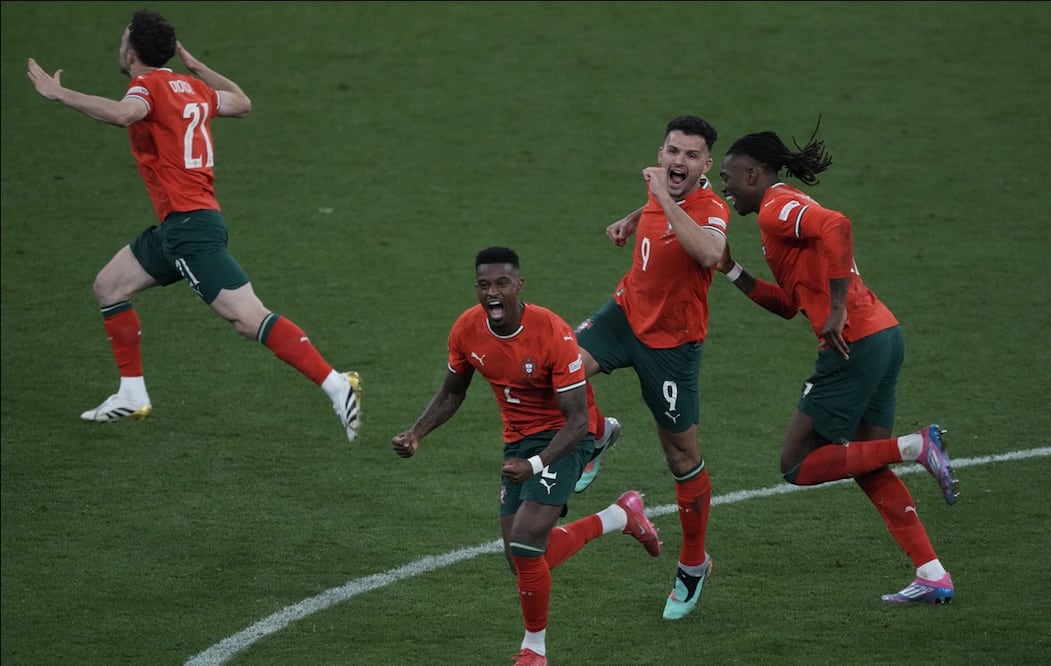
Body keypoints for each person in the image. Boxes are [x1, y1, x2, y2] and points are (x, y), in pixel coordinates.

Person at [26, 10, 362, 441]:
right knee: (110, 286)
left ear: (131, 52)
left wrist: (59, 93)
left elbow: (124, 114)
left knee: (246, 318)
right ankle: (131, 393)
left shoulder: (145, 87)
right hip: (178, 226)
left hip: (190, 230)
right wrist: (198, 66)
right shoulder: (194, 88)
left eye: (122, 38)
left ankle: (336, 383)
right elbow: (241, 102)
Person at [715, 120, 959, 604]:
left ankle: (915, 445)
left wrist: (839, 308)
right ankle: (933, 574)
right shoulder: (778, 216)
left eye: (727, 177)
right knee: (868, 464)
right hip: (883, 336)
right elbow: (789, 304)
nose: (724, 188)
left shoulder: (776, 209)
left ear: (753, 173)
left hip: (853, 343)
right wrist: (731, 268)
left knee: (797, 464)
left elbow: (838, 225)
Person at [391, 246, 661, 666]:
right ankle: (621, 516)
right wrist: (416, 433)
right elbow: (452, 391)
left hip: (568, 436)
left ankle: (534, 651)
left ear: (519, 286)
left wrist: (535, 465)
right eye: (484, 285)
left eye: (501, 284)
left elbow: (573, 420)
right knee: (521, 561)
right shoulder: (466, 329)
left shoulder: (552, 333)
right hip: (517, 442)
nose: (492, 293)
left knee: (527, 539)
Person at [573, 115, 729, 620]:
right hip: (625, 314)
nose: (677, 161)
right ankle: (596, 434)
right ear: (661, 151)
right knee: (559, 368)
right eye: (671, 151)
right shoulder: (660, 190)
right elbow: (657, 210)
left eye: (690, 155)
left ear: (706, 165)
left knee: (681, 458)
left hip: (671, 346)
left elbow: (708, 252)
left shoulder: (711, 208)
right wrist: (632, 219)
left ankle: (693, 564)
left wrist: (660, 198)